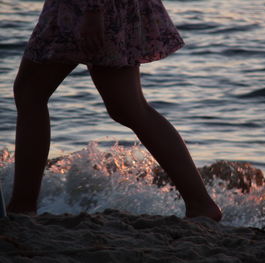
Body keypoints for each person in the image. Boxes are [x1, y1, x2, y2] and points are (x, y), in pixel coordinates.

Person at [6, 0, 222, 221]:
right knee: (128, 108)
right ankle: (200, 204)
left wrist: (92, 11)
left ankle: (23, 206)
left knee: (30, 94)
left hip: (89, 7)